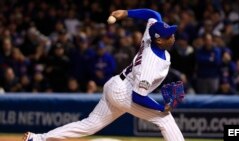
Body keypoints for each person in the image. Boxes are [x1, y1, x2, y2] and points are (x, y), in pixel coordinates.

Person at [24, 9, 185, 141]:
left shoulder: (150, 35)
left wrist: (126, 13)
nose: (173, 37)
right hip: (125, 93)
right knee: (164, 118)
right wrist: (161, 107)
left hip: (116, 84)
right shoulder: (151, 62)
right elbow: (137, 97)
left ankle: (37, 138)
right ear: (159, 40)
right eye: (169, 35)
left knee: (91, 124)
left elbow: (153, 15)